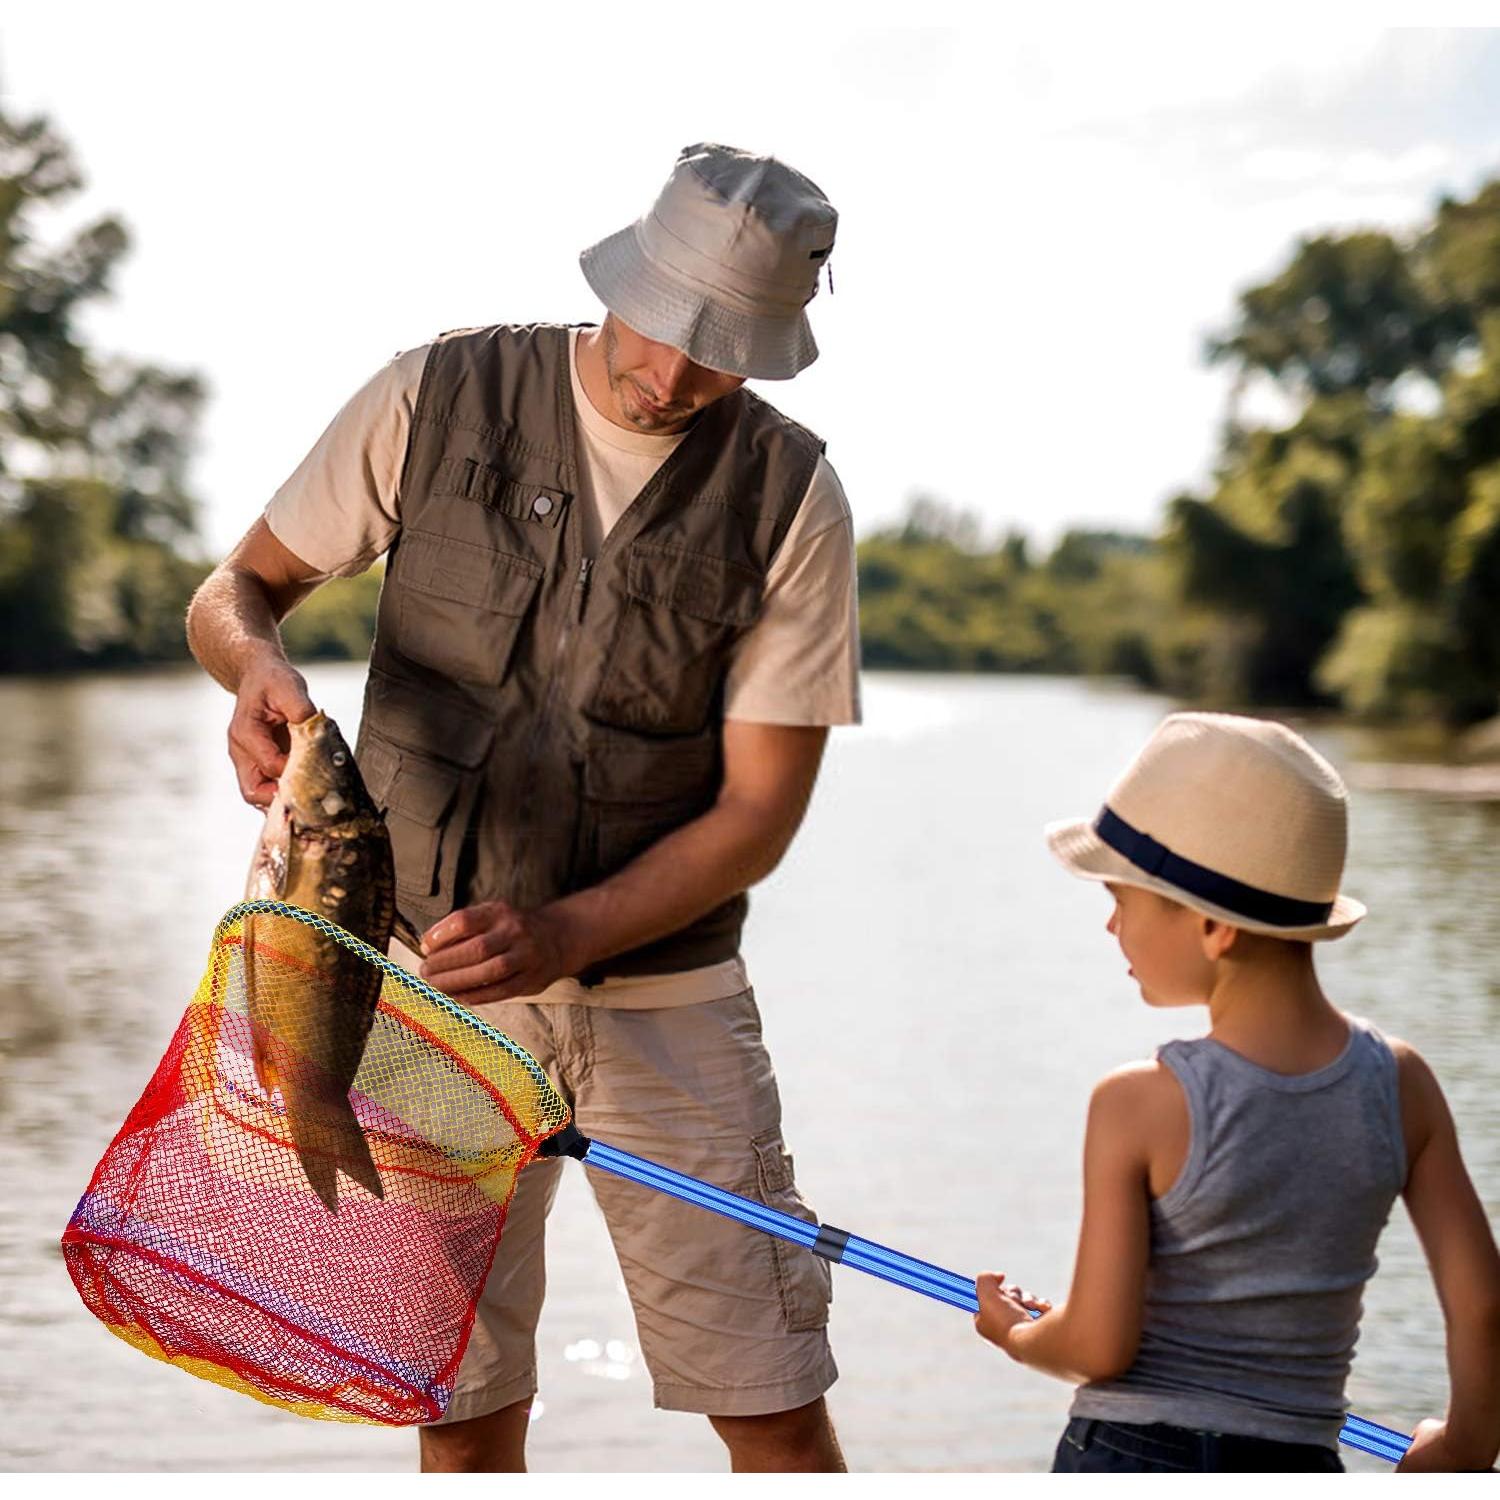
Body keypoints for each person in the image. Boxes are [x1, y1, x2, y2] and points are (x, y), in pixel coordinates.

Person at [186, 143, 858, 1473]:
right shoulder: (433, 394)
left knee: (770, 1399)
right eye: (663, 327)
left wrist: (569, 933)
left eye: (722, 352)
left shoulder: (794, 496)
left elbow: (760, 816)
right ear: (622, 275)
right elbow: (233, 593)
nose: (672, 376)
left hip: (671, 1016)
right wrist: (259, 668)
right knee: (463, 1397)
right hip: (421, 1003)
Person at [971, 712, 1500, 1473]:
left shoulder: (1137, 1103)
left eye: (1125, 900)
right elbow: (1483, 1308)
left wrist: (1015, 1332)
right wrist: (1464, 1449)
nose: (1112, 926)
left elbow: (1097, 1347)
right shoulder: (1402, 1084)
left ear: (1215, 928)